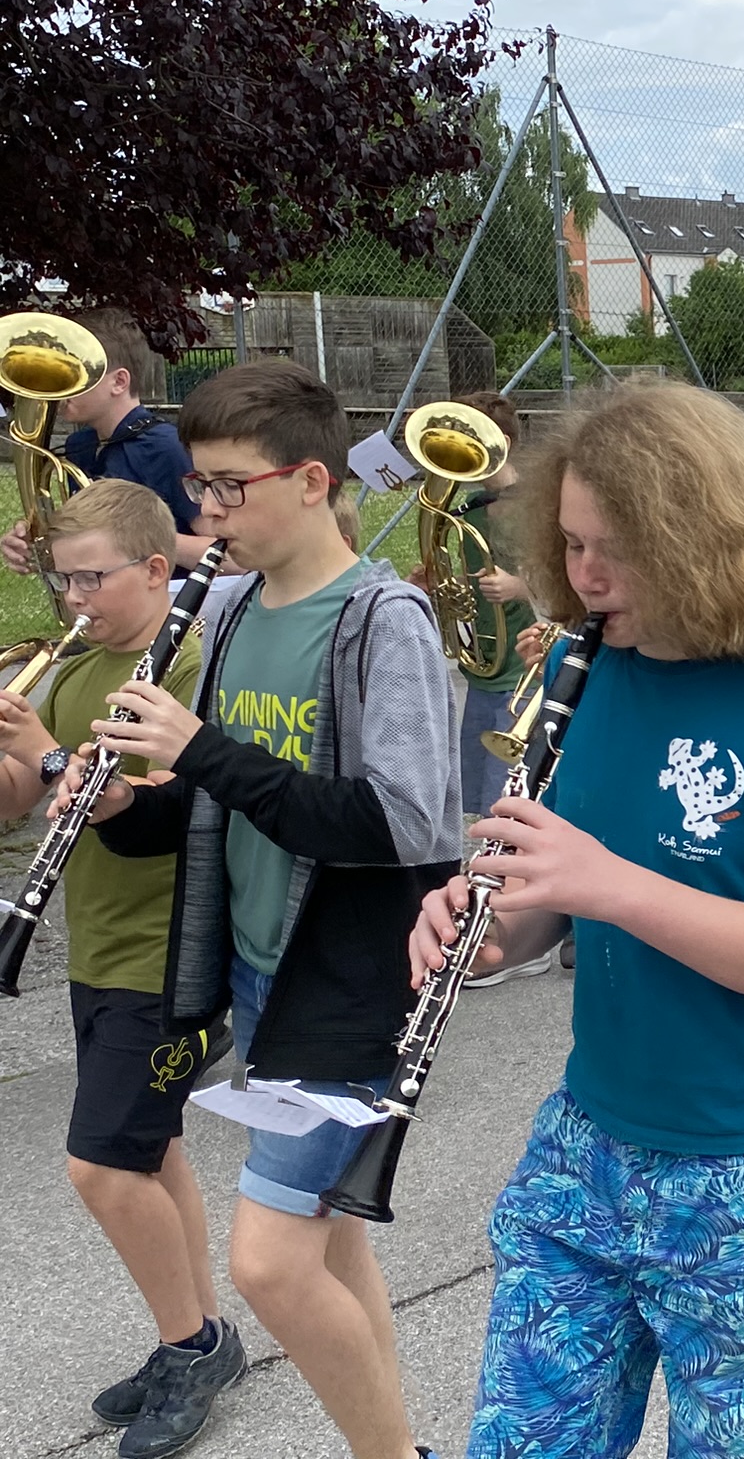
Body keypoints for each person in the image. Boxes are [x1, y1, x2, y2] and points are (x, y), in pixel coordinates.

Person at [407, 383, 744, 1459]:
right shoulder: (584, 673)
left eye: (617, 551)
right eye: (571, 543)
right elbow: (556, 896)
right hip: (593, 1137)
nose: (584, 576)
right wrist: (490, 929)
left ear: (701, 543)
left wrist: (606, 882)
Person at [73, 359, 461, 1459]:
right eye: (200, 485)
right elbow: (220, 802)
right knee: (328, 1247)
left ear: (312, 481)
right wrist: (126, 805)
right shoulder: (232, 606)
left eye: (228, 487)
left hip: (349, 979)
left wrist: (201, 749)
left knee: (270, 1265)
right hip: (258, 967)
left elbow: (398, 822)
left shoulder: (383, 618)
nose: (207, 510)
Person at [0, 481, 241, 1458]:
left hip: (170, 952)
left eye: (91, 578)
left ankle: (190, 1349)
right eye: (62, 580)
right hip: (99, 948)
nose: (73, 598)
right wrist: (20, 750)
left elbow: (162, 808)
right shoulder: (71, 670)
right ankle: (201, 1332)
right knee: (150, 1148)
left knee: (101, 1163)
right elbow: (24, 798)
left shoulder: (185, 664)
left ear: (153, 569)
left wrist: (54, 759)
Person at [1, 308, 210, 574]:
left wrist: (142, 538)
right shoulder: (79, 446)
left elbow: (227, 555)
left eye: (74, 373)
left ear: (119, 382)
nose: (59, 388)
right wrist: (40, 543)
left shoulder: (166, 447)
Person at [440, 391, 539, 828]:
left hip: (522, 669)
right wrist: (438, 584)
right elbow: (468, 581)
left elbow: (567, 580)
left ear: (503, 444)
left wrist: (520, 586)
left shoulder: (535, 506)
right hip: (483, 670)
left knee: (509, 795)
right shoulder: (469, 512)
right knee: (477, 797)